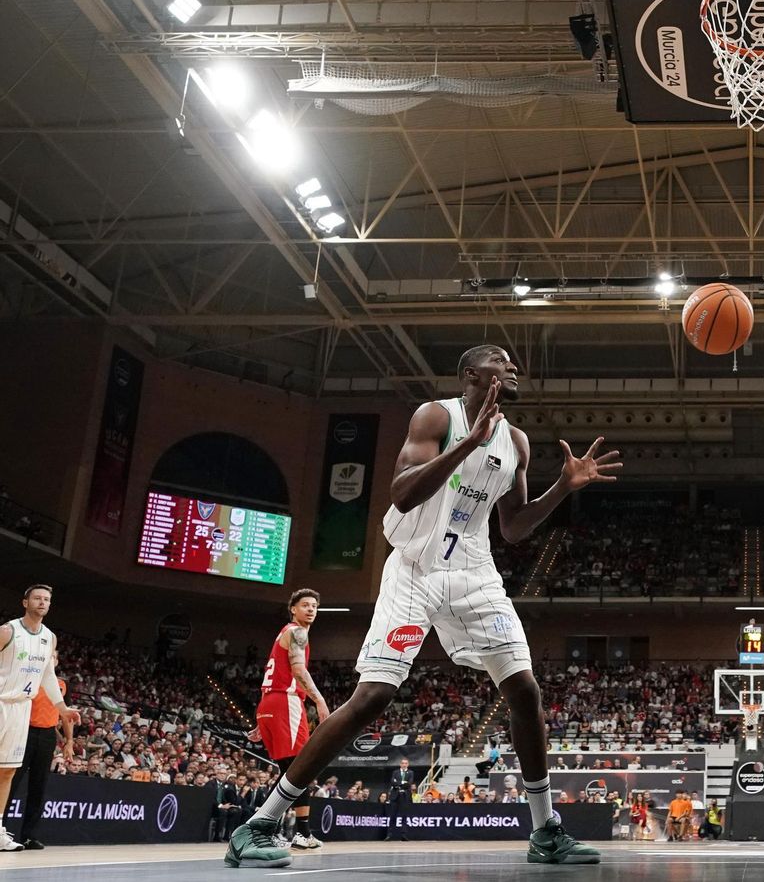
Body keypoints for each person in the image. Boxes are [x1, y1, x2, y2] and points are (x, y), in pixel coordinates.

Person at [224, 344, 621, 869]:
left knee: (524, 688)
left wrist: (563, 488)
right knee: (373, 697)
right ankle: (260, 823)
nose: (513, 368)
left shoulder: (517, 442)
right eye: (502, 361)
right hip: (415, 569)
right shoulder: (437, 416)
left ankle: (546, 830)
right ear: (472, 374)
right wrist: (465, 445)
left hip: (475, 574)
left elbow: (514, 527)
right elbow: (402, 494)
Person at [0, 585, 80, 853]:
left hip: (22, 708)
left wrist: (62, 707)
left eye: (47, 599)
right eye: (37, 598)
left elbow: (47, 675)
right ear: (25, 602)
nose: (42, 602)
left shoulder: (50, 638)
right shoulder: (8, 631)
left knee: (8, 771)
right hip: (1, 702)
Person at [250, 588, 330, 851]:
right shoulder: (297, 632)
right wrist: (318, 700)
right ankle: (278, 829)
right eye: (305, 605)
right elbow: (297, 670)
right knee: (299, 770)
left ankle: (283, 830)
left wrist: (262, 721)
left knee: (289, 771)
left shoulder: (283, 633)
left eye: (315, 606)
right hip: (285, 701)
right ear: (293, 609)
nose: (311, 609)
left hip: (269, 703)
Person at [11, 652, 74, 849]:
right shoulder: (28, 677)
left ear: (57, 660)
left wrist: (69, 741)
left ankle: (28, 835)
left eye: (54, 656)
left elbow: (66, 715)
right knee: (11, 782)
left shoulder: (62, 685)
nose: (51, 659)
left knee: (38, 786)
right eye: (47, 656)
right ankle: (1, 830)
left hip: (47, 736)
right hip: (25, 731)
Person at [386, 757, 416, 841]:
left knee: (404, 816)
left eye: (406, 763)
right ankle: (389, 834)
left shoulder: (410, 772)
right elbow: (392, 782)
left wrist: (398, 783)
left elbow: (409, 783)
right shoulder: (395, 772)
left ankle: (404, 835)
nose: (404, 765)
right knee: (392, 815)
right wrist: (402, 783)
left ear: (408, 764)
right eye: (402, 763)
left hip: (405, 796)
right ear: (400, 764)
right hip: (395, 795)